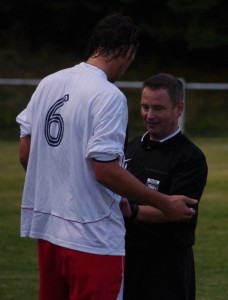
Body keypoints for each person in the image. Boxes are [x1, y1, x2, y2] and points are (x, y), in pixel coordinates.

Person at [16, 13, 197, 300]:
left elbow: (26, 151)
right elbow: (105, 170)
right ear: (128, 51)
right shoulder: (108, 95)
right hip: (93, 239)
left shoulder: (49, 83)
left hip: (49, 234)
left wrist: (63, 191)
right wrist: (165, 203)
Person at [122, 73, 208, 300]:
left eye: (158, 108)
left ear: (179, 109)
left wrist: (133, 211)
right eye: (145, 107)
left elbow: (179, 211)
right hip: (126, 263)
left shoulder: (190, 157)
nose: (149, 115)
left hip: (166, 270)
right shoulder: (131, 148)